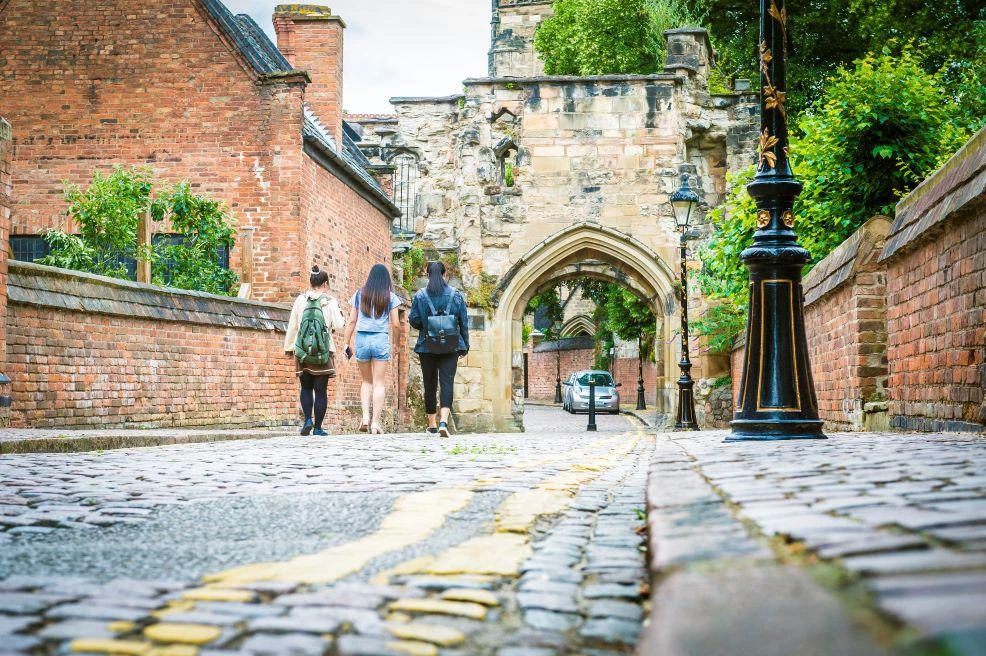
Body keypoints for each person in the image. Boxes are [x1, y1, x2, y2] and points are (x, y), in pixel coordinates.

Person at [409, 261, 469, 437]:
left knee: (429, 384)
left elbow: (414, 320)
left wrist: (429, 325)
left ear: (427, 275)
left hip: (427, 346)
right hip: (451, 346)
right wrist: (465, 345)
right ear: (444, 275)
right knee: (447, 383)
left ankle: (432, 424)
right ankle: (444, 421)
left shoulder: (420, 296)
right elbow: (463, 323)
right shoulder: (456, 295)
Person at [341, 264, 402, 434]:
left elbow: (352, 320)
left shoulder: (360, 294)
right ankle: (375, 423)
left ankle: (365, 417)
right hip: (380, 339)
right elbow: (396, 324)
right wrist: (397, 344)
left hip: (362, 339)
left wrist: (346, 342)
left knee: (366, 381)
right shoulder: (390, 297)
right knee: (379, 383)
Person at [284, 265, 344, 436]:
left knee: (305, 388)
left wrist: (289, 347)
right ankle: (318, 428)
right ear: (325, 283)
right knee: (321, 391)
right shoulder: (330, 301)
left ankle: (307, 420)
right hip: (323, 351)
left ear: (310, 282)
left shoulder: (301, 300)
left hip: (302, 351)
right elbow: (340, 325)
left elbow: (293, 326)